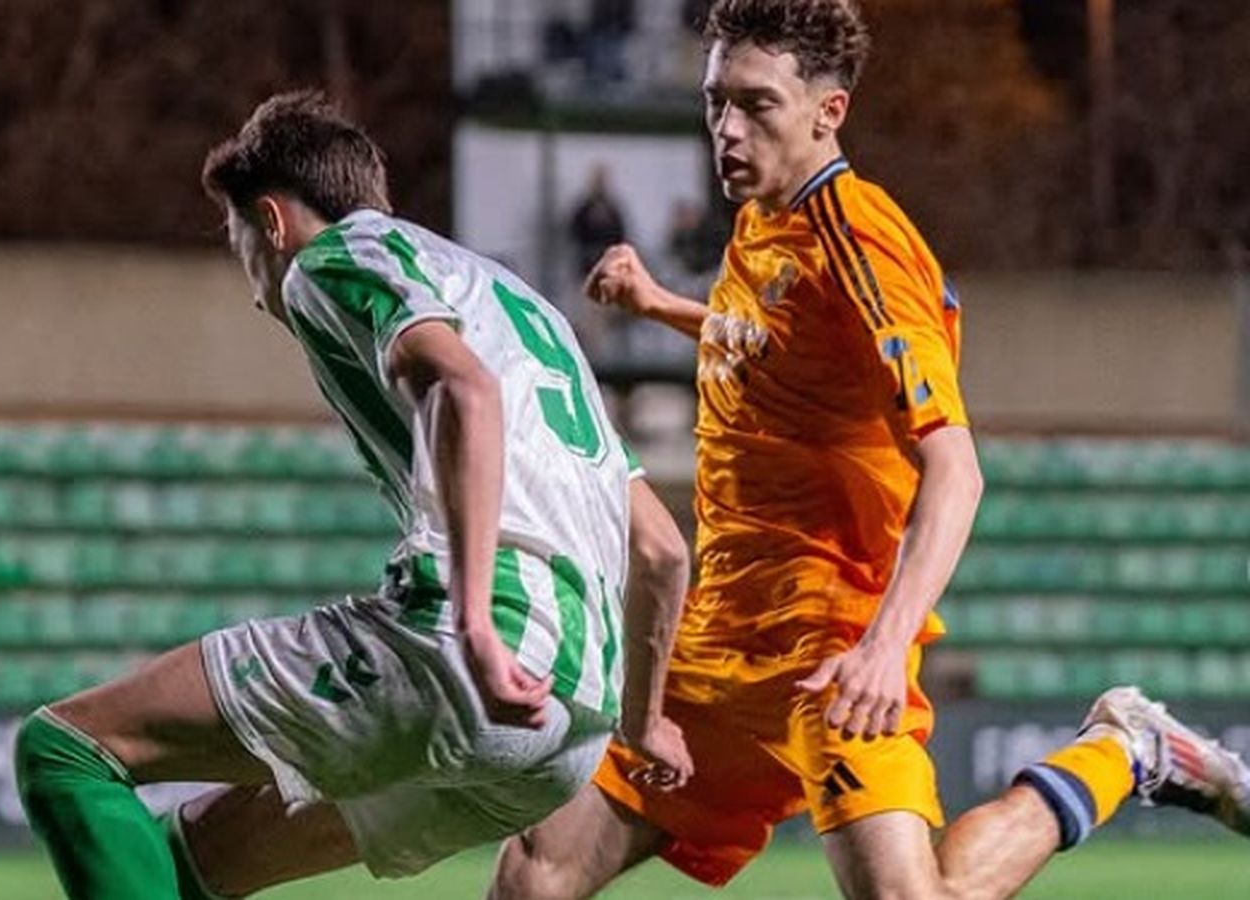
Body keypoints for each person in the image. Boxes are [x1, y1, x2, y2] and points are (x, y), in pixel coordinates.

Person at [491, 2, 1250, 898]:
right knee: (534, 876)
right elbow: (779, 346)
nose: (727, 129)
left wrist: (884, 647)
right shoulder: (764, 217)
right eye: (716, 100)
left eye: (756, 105)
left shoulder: (863, 244)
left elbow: (956, 468)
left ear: (829, 113)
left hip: (832, 647)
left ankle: (1125, 748)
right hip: (718, 641)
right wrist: (660, 305)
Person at [13, 90, 694, 900]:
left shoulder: (332, 258)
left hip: (465, 659)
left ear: (271, 222)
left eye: (238, 243)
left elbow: (461, 389)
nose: (252, 288)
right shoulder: (526, 314)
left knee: (65, 750)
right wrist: (643, 723)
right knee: (192, 861)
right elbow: (660, 549)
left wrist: (476, 624)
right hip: (569, 735)